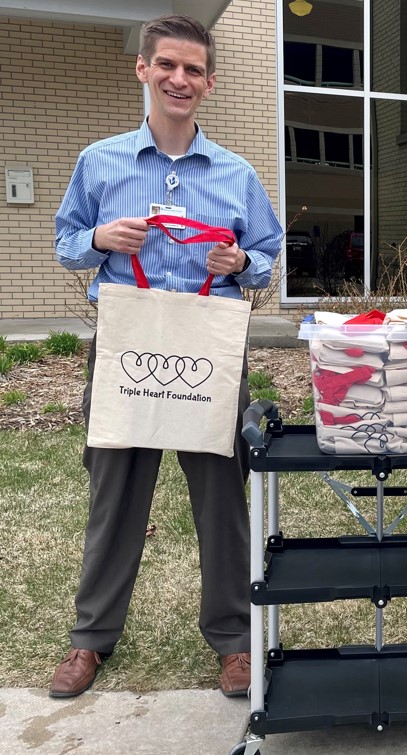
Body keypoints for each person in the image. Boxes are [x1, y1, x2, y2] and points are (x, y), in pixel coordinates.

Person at [50, 14, 282, 699]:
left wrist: (241, 259)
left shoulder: (236, 174)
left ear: (209, 83)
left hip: (209, 350)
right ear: (143, 70)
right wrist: (99, 236)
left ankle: (234, 641)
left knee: (221, 500)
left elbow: (266, 260)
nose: (180, 79)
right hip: (129, 345)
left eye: (193, 70)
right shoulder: (100, 161)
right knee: (115, 496)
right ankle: (90, 638)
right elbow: (66, 241)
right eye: (168, 66)